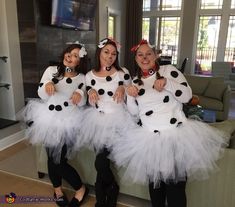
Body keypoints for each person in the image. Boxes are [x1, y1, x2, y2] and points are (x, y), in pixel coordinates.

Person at [111, 39, 227, 207]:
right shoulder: (136, 82)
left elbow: (187, 96)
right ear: (135, 59)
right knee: (155, 188)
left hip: (175, 135)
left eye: (148, 54)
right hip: (150, 139)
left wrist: (167, 83)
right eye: (140, 55)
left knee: (175, 188)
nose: (144, 58)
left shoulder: (169, 71)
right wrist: (130, 96)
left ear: (156, 55)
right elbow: (135, 113)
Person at [21, 42, 89, 207]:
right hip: (49, 118)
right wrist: (48, 85)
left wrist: (79, 94)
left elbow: (83, 100)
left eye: (75, 56)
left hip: (69, 121)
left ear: (79, 62)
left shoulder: (82, 78)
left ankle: (80, 189)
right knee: (52, 158)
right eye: (69, 53)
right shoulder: (51, 71)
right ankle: (57, 190)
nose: (70, 57)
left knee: (58, 160)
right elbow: (41, 94)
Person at [79, 38, 133, 207]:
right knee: (101, 160)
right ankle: (108, 193)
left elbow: (133, 93)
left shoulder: (123, 73)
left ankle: (104, 197)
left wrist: (123, 87)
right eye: (106, 52)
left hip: (118, 120)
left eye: (113, 54)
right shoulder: (89, 76)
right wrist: (90, 91)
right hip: (97, 120)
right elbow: (89, 100)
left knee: (101, 161)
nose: (110, 57)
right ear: (99, 53)